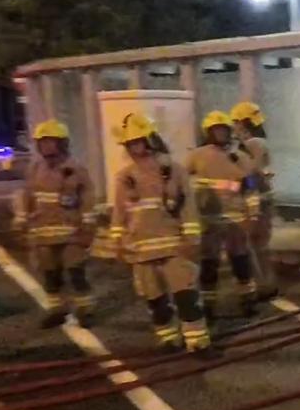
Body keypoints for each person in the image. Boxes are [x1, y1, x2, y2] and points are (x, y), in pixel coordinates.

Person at [108, 113, 212, 353]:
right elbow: (120, 212)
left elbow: (188, 208)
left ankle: (197, 341)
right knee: (154, 299)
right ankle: (167, 338)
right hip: (141, 249)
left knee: (186, 295)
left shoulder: (174, 170)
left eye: (138, 141)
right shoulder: (125, 177)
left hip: (174, 245)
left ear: (150, 140)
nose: (134, 148)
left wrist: (192, 239)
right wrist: (117, 242)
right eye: (130, 143)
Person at [12, 119, 96, 328]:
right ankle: (57, 310)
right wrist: (21, 218)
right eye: (42, 142)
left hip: (71, 232)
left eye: (50, 141)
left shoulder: (76, 169)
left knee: (76, 272)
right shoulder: (35, 169)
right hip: (42, 232)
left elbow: (87, 197)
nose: (46, 146)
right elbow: (27, 194)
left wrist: (87, 224)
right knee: (50, 274)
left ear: (62, 143)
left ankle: (86, 310)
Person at [186, 109, 262, 320]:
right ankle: (208, 305)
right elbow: (180, 180)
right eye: (216, 130)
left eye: (223, 130)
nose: (220, 133)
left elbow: (251, 188)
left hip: (235, 219)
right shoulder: (196, 156)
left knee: (241, 261)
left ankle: (248, 300)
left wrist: (253, 215)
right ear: (208, 132)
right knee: (209, 263)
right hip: (208, 219)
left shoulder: (241, 158)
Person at [230, 100, 278, 300]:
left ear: (244, 123)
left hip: (255, 201)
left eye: (235, 123)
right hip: (262, 199)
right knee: (260, 245)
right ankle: (267, 284)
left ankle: (262, 286)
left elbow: (250, 173)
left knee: (252, 246)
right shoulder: (259, 143)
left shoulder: (252, 144)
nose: (233, 127)